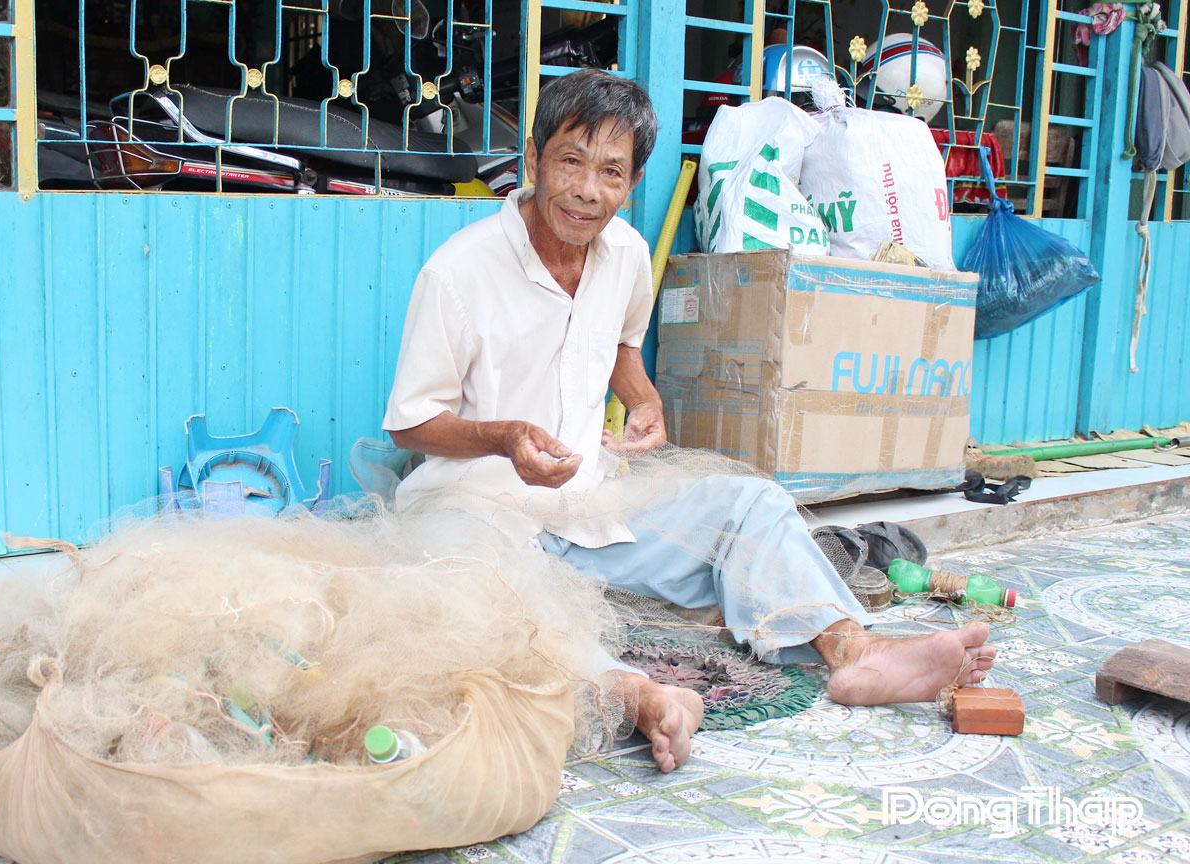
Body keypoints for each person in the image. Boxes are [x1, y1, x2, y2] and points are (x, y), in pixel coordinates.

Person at [381, 69, 995, 773]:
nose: (587, 190)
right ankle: (642, 696)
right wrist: (502, 437)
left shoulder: (627, 257)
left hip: (588, 506)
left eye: (611, 171)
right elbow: (410, 422)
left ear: (634, 181)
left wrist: (645, 399)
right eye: (570, 162)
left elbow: (617, 347)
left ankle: (853, 653)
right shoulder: (459, 271)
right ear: (533, 159)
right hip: (475, 506)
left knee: (749, 502)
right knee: (484, 586)